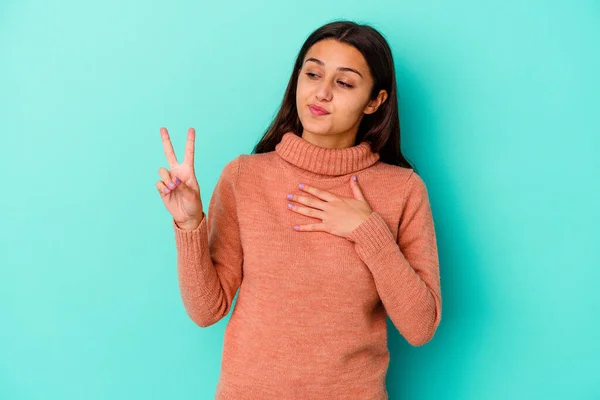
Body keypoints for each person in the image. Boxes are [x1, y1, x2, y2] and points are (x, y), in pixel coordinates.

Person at [156, 20, 441, 400]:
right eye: (312, 74)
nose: (321, 92)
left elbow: (420, 327)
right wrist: (189, 223)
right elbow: (207, 310)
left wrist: (368, 230)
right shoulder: (245, 177)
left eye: (344, 82)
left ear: (375, 101)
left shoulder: (403, 189)